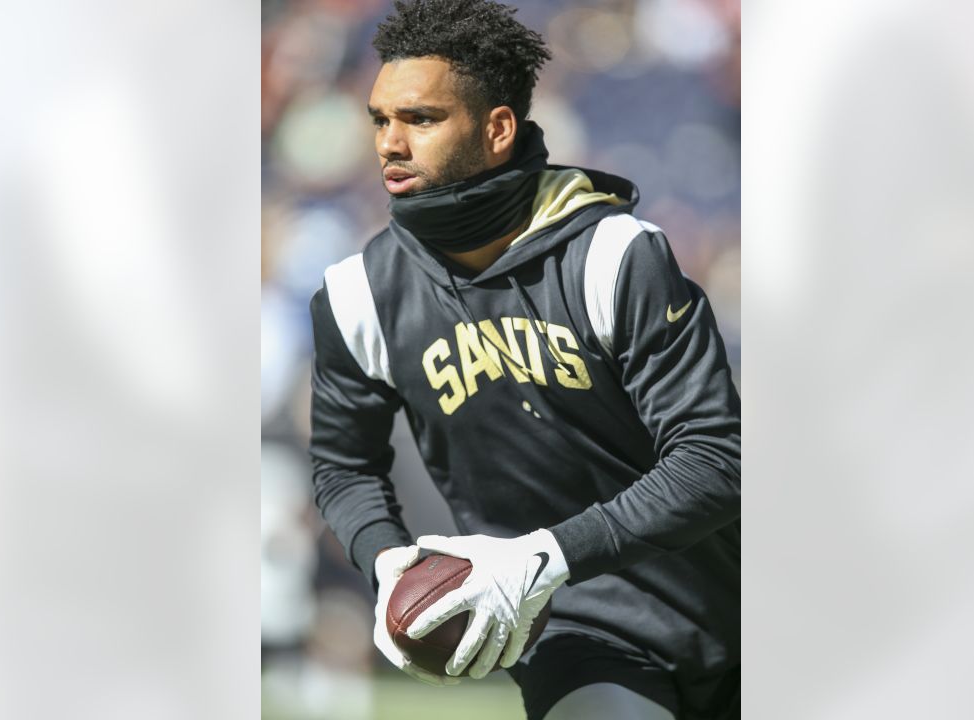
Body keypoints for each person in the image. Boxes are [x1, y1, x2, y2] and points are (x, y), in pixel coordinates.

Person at [307, 0, 740, 717]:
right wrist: (385, 558)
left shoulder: (613, 256)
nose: (390, 142)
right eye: (381, 119)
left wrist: (548, 553)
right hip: (571, 628)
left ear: (497, 128)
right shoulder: (358, 296)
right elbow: (342, 464)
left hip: (737, 608)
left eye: (421, 119)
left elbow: (715, 460)